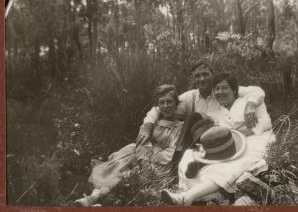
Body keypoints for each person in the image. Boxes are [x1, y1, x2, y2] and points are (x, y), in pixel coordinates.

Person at [161, 73, 276, 206]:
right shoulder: (216, 112)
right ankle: (199, 192)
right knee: (190, 155)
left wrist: (247, 115)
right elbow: (172, 103)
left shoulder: (248, 100)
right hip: (229, 145)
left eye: (224, 88)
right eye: (216, 88)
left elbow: (265, 122)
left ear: (234, 90)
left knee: (232, 166)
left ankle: (187, 197)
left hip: (255, 140)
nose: (220, 92)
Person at [74, 84, 190, 206]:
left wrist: (149, 161)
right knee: (120, 165)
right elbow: (142, 140)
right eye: (162, 103)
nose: (166, 106)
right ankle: (94, 197)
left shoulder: (180, 127)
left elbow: (171, 151)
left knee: (129, 176)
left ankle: (97, 198)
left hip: (161, 164)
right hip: (142, 155)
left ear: (176, 104)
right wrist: (143, 158)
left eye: (169, 102)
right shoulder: (152, 123)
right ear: (158, 105)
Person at [136, 60, 266, 150]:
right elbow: (161, 107)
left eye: (205, 74)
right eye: (197, 76)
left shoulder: (222, 90)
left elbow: (257, 90)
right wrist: (148, 125)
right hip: (201, 141)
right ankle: (180, 154)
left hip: (226, 135)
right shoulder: (190, 97)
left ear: (212, 74)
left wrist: (250, 105)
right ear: (193, 78)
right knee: (194, 117)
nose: (202, 79)